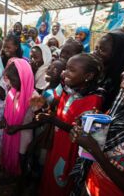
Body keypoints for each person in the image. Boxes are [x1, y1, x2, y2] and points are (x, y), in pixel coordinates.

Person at [71, 54, 124, 196]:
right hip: (89, 184)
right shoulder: (122, 108)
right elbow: (107, 133)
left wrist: (95, 151)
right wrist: (91, 123)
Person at [38, 53, 103, 196]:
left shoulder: (94, 100)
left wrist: (53, 120)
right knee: (49, 174)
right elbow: (51, 103)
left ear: (88, 76)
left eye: (71, 70)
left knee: (60, 180)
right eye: (66, 68)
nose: (65, 73)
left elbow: (80, 131)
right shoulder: (68, 88)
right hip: (56, 143)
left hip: (69, 149)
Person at [0, 58, 35, 194]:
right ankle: (12, 176)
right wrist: (3, 118)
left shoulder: (33, 96)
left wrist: (19, 128)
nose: (12, 84)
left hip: (23, 136)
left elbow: (39, 121)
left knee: (21, 160)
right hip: (11, 132)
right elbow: (8, 109)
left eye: (14, 80)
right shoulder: (12, 91)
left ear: (24, 77)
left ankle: (21, 184)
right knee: (9, 154)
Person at [93, 29, 124, 112]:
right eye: (96, 48)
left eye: (102, 50)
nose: (95, 53)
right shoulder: (96, 71)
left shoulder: (123, 83)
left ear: (118, 54)